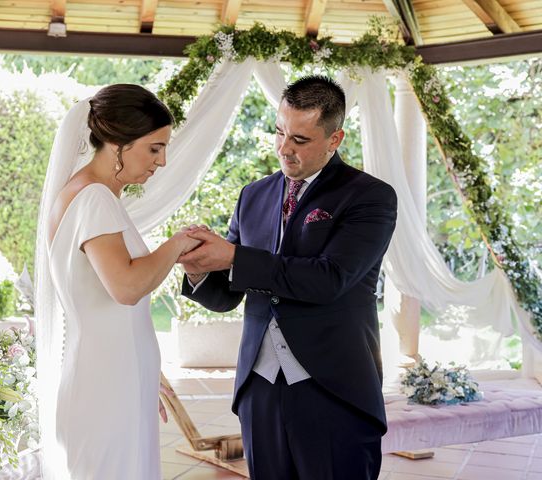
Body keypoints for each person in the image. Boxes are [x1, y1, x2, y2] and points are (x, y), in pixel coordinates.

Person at [179, 75, 398, 479]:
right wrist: (198, 271)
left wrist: (233, 256)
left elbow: (329, 279)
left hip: (334, 387)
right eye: (279, 131)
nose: (284, 148)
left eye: (300, 139)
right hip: (258, 388)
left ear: (335, 139)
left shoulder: (370, 196)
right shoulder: (253, 194)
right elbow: (229, 292)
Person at [35, 84, 201, 479]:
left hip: (114, 374)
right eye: (154, 148)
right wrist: (177, 244)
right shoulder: (93, 198)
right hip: (106, 384)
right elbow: (124, 288)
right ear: (116, 144)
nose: (161, 162)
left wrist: (144, 370)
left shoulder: (88, 194)